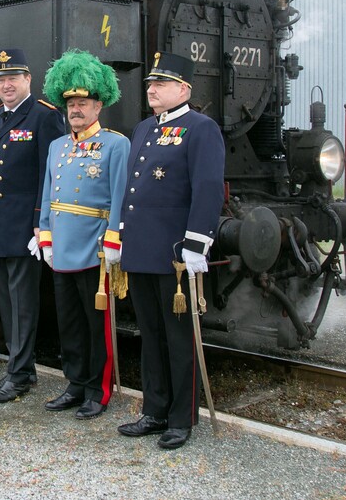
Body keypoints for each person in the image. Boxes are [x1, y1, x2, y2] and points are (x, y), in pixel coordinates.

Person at [116, 52, 225, 450]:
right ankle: (155, 408)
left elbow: (208, 187)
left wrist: (198, 242)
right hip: (141, 250)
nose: (152, 89)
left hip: (176, 253)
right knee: (150, 334)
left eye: (160, 84)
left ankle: (181, 418)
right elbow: (132, 190)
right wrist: (121, 236)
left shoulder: (200, 128)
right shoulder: (143, 128)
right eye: (150, 83)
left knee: (179, 338)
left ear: (184, 89)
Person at [36, 50, 129, 421]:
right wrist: (44, 235)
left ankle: (97, 390)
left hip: (94, 248)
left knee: (96, 326)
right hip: (61, 248)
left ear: (98, 105)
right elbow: (48, 194)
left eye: (83, 103)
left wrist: (113, 239)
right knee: (69, 323)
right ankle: (74, 383)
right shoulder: (58, 146)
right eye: (72, 103)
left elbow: (120, 196)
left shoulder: (115, 144)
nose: (76, 109)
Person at [0, 48, 66, 404]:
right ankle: (23, 368)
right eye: (1, 79)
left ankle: (17, 375)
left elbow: (52, 174)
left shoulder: (45, 116)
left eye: (13, 78)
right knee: (6, 302)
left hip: (24, 228)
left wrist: (39, 222)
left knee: (22, 303)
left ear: (28, 79)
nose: (6, 85)